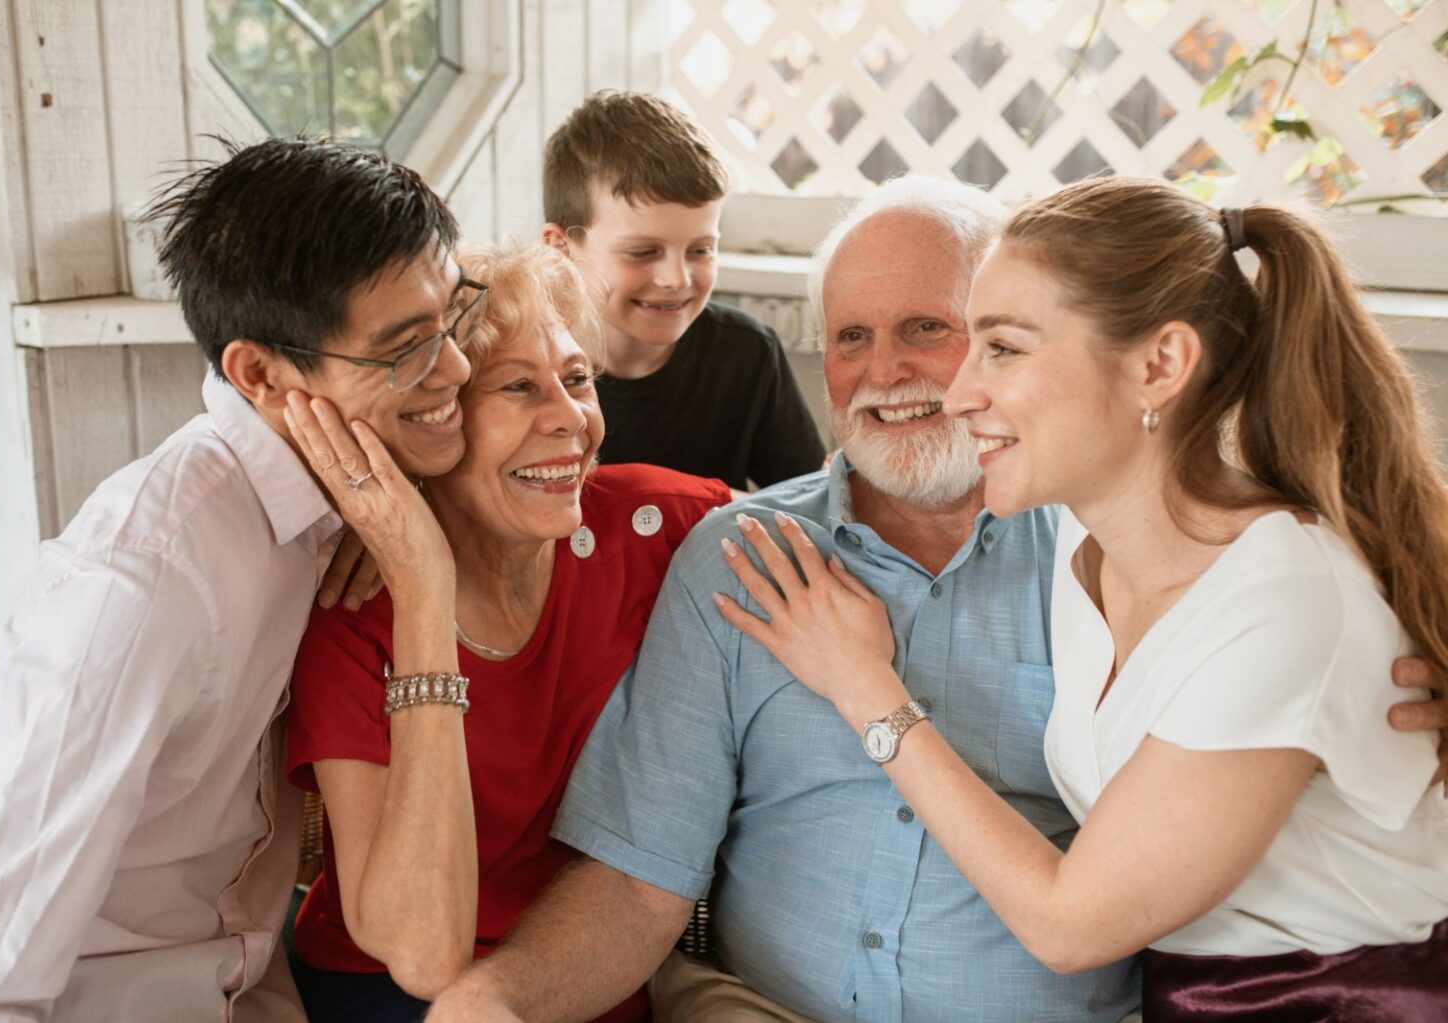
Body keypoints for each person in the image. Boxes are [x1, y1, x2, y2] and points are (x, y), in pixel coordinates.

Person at [425, 175, 1448, 1023]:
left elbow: (1084, 913)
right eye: (850, 338)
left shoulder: (1136, 557)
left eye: (945, 332)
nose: (902, 376)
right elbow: (642, 880)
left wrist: (865, 687)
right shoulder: (745, 555)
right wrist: (501, 1001)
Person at [0, 137, 477, 1020]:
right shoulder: (139, 585)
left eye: (453, 318)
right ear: (259, 372)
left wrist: (425, 514)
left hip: (258, 987)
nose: (457, 369)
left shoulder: (355, 494)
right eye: (406, 349)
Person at [281, 241, 734, 1023]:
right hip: (388, 994)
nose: (571, 418)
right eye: (520, 387)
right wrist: (425, 588)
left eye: (579, 378)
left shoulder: (651, 527)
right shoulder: (355, 615)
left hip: (584, 973)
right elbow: (423, 955)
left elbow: (833, 517)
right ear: (434, 424)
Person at [541, 90, 825, 490]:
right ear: (560, 248)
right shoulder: (522, 363)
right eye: (643, 252)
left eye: (701, 250)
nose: (677, 278)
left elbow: (807, 503)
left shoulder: (748, 355)